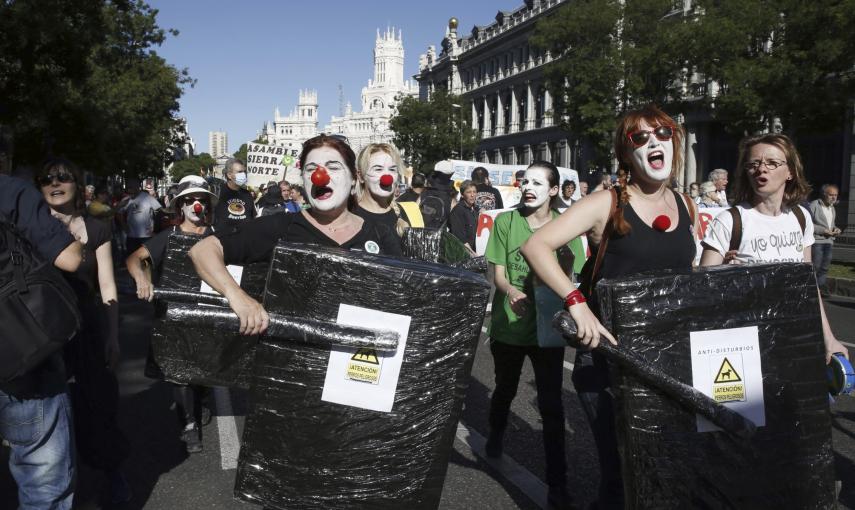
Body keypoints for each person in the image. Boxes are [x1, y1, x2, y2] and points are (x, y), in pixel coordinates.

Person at [522, 105, 699, 509]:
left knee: (666, 468)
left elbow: (687, 275)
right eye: (640, 138)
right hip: (609, 360)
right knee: (622, 473)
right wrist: (577, 302)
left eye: (662, 134)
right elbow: (536, 246)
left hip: (669, 363)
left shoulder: (688, 206)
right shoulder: (608, 202)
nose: (653, 143)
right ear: (626, 153)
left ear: (675, 142)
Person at [189, 134, 402, 336]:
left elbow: (400, 295)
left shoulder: (379, 233)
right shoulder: (281, 227)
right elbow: (203, 251)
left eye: (333, 167)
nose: (321, 177)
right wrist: (237, 297)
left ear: (354, 178)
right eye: (311, 170)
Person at [484, 161, 582, 510]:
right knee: (505, 390)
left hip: (548, 330)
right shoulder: (506, 222)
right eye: (525, 181)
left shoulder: (566, 225)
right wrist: (511, 290)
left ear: (554, 191)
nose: (529, 186)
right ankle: (495, 433)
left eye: (538, 182)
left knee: (552, 405)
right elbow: (497, 272)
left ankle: (558, 484)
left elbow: (575, 274)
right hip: (509, 326)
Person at [699, 134, 848, 362]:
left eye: (772, 163)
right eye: (754, 164)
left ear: (790, 172)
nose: (761, 169)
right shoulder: (730, 221)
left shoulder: (800, 217)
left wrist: (828, 338)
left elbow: (808, 285)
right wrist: (725, 275)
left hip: (794, 339)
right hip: (743, 346)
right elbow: (701, 293)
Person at [36, 159, 131, 504]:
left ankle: (111, 473)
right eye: (47, 178)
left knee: (99, 405)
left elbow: (107, 285)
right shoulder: (30, 227)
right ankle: (59, 488)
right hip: (43, 332)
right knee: (50, 413)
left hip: (87, 328)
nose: (56, 183)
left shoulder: (97, 227)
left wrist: (113, 337)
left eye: (64, 177)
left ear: (78, 184)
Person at [1, 173, 84, 510]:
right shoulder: (10, 191)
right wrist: (70, 234)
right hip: (20, 350)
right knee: (42, 475)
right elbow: (70, 258)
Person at [127, 175, 218, 453]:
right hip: (174, 317)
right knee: (180, 374)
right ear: (181, 206)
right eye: (190, 200)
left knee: (203, 373)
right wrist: (143, 279)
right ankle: (188, 425)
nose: (196, 205)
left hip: (209, 318)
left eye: (201, 200)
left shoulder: (218, 238)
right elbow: (135, 259)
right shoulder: (170, 236)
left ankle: (201, 398)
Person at [353, 143, 410, 236]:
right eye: (378, 169)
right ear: (361, 176)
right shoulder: (349, 216)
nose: (387, 177)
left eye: (392, 169)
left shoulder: (403, 213)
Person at [810, 184, 841, 293]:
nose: (834, 198)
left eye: (836, 195)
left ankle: (821, 287)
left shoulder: (832, 208)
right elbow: (808, 224)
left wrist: (836, 229)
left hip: (829, 242)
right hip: (817, 241)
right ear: (824, 194)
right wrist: (823, 231)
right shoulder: (814, 205)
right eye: (831, 195)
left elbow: (831, 225)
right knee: (816, 266)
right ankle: (811, 287)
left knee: (825, 267)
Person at [118, 177, 162, 256]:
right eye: (128, 187)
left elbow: (160, 212)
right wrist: (124, 226)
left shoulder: (148, 198)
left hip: (146, 237)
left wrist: (155, 230)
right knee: (132, 259)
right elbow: (119, 213)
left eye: (131, 187)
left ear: (137, 187)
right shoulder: (126, 200)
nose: (129, 190)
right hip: (131, 236)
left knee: (146, 262)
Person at [213, 158, 257, 230]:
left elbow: (252, 219)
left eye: (244, 172)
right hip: (222, 239)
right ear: (229, 175)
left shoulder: (247, 194)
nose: (243, 174)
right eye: (239, 172)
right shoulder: (217, 192)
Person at [448, 180, 479, 253]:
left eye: (474, 192)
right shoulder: (458, 211)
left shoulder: (475, 209)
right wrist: (473, 254)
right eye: (469, 192)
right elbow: (460, 239)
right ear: (462, 194)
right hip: (461, 254)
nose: (472, 195)